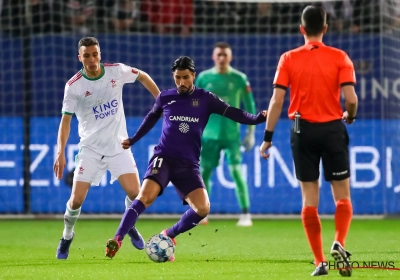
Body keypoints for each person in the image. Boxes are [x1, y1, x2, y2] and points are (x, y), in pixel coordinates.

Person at [104, 56, 267, 260]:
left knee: (202, 208)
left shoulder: (206, 98)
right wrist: (134, 139)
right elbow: (151, 118)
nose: (181, 82)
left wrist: (258, 118)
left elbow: (233, 113)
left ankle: (168, 235)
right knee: (144, 197)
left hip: (188, 165)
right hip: (163, 158)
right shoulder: (165, 97)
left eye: (186, 77)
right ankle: (117, 239)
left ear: (194, 76)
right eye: (177, 78)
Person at [259, 6, 358, 277]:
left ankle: (320, 261)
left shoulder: (288, 58)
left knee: (309, 198)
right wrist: (350, 115)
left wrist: (267, 138)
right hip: (333, 130)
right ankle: (340, 241)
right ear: (326, 28)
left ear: (302, 29)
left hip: (302, 132)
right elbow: (351, 99)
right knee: (342, 195)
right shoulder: (340, 57)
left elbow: (277, 100)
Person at [53, 36, 160, 260]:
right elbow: (66, 121)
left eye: (95, 54)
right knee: (76, 201)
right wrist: (60, 152)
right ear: (79, 57)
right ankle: (67, 236)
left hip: (119, 147)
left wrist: (160, 100)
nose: (92, 59)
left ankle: (128, 223)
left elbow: (143, 76)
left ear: (100, 54)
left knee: (137, 195)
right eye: (87, 55)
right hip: (90, 150)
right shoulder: (73, 86)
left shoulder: (116, 71)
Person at [195, 42, 256, 226]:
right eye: (219, 55)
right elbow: (194, 105)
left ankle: (246, 214)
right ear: (214, 57)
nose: (222, 58)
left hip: (231, 135)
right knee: (204, 173)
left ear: (230, 57)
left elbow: (250, 105)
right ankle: (202, 212)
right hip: (208, 135)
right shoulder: (204, 78)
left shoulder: (239, 78)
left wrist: (251, 132)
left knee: (236, 172)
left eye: (225, 55)